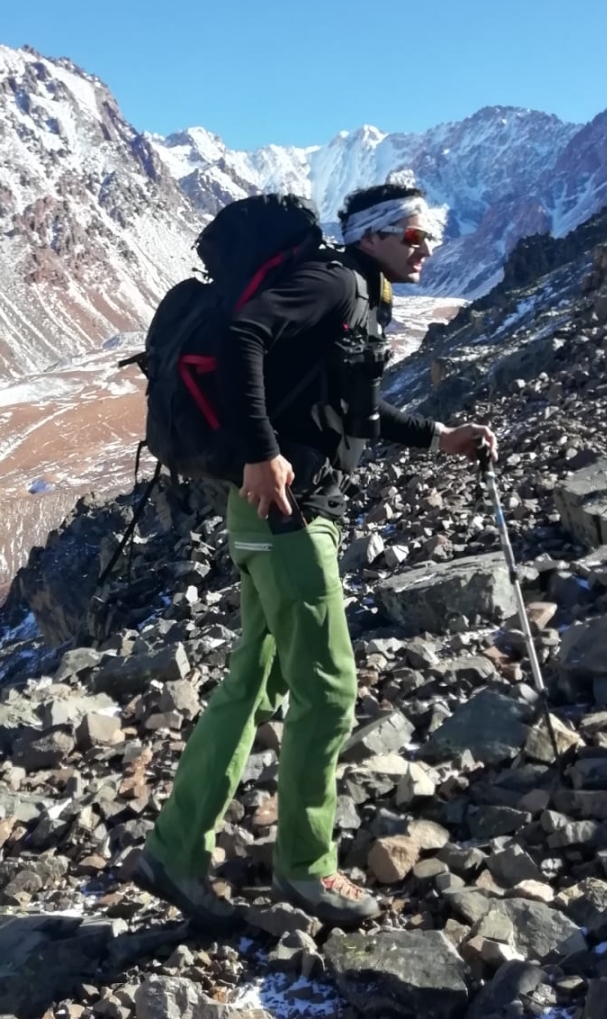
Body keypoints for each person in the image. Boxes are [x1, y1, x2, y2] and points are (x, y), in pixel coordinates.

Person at [134, 182, 497, 930]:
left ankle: (175, 851)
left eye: (428, 234)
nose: (426, 247)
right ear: (373, 235)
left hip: (277, 511)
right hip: (287, 511)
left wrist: (440, 439)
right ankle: (306, 868)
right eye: (412, 234)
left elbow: (352, 413)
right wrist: (261, 453)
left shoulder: (359, 296)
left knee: (252, 682)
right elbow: (242, 337)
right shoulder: (333, 282)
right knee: (329, 690)